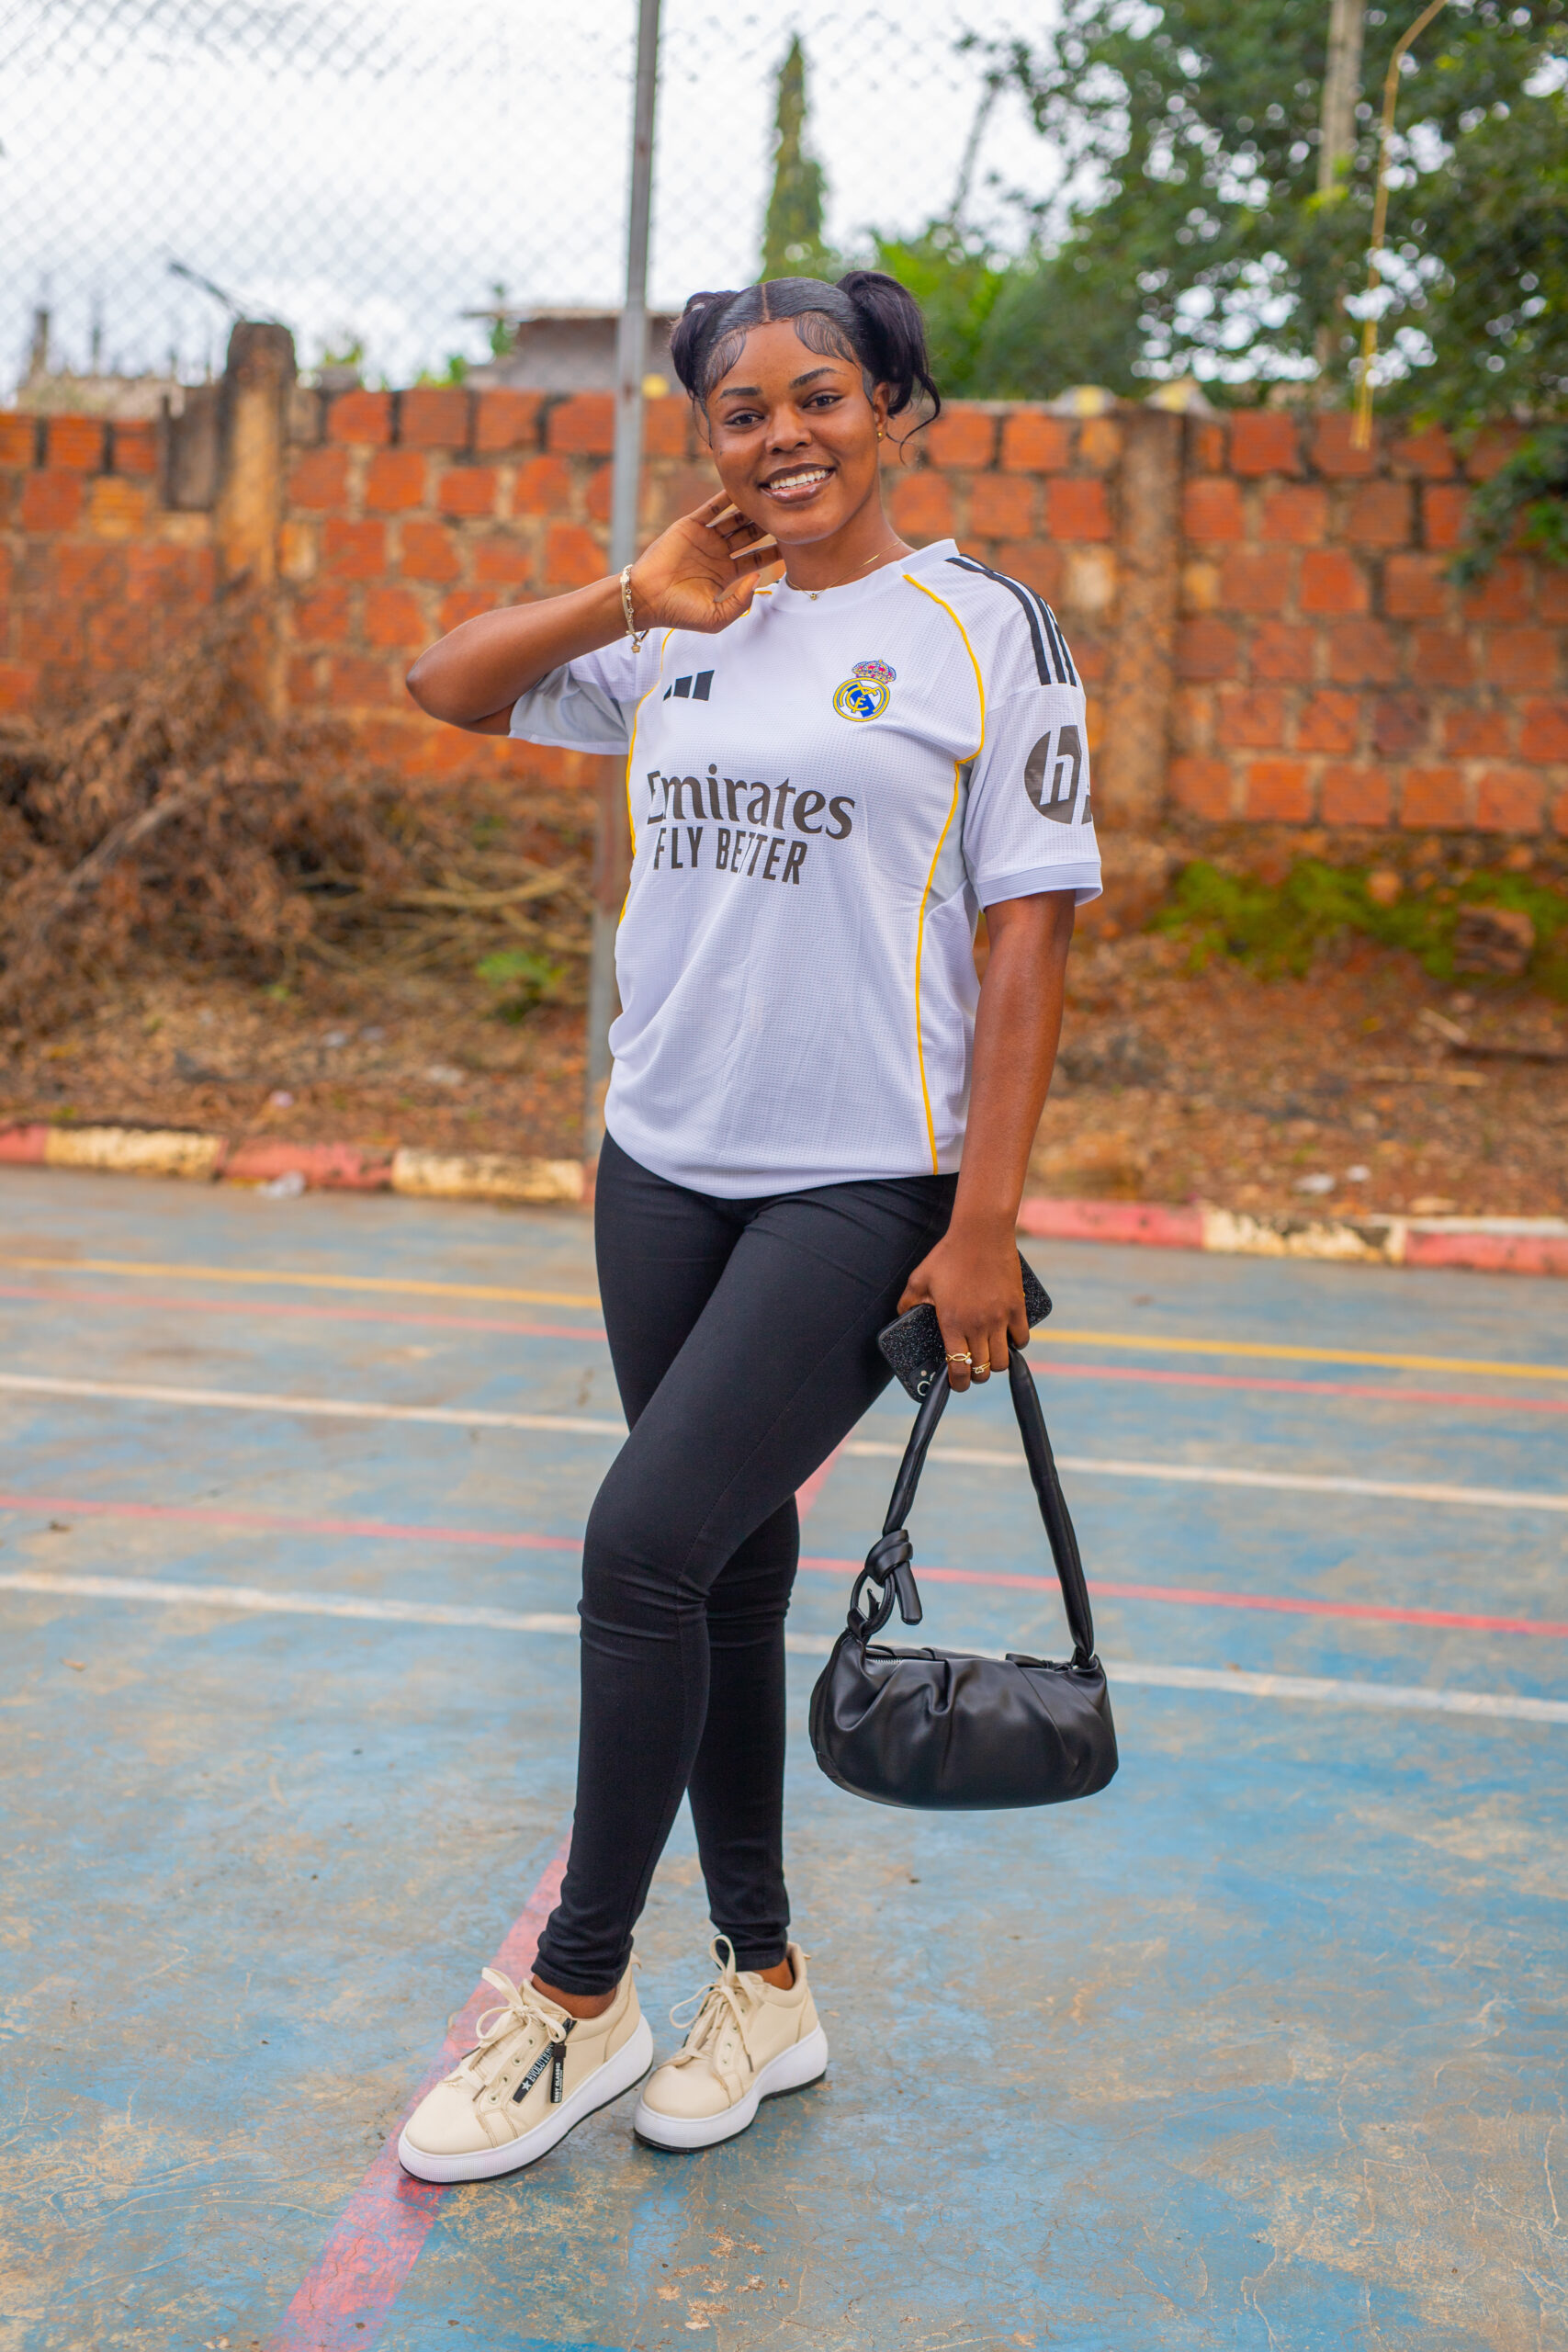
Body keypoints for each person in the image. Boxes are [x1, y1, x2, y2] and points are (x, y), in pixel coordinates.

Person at [395, 270, 1100, 2183]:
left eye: (822, 395)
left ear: (894, 410)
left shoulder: (986, 629)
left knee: (639, 1541)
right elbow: (443, 682)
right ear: (703, 433)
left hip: (862, 1174)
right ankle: (766, 1981)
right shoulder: (684, 620)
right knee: (714, 1566)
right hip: (661, 1157)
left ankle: (575, 1995)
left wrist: (982, 1219)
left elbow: (1028, 940)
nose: (782, 433)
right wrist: (635, 595)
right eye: (739, 408)